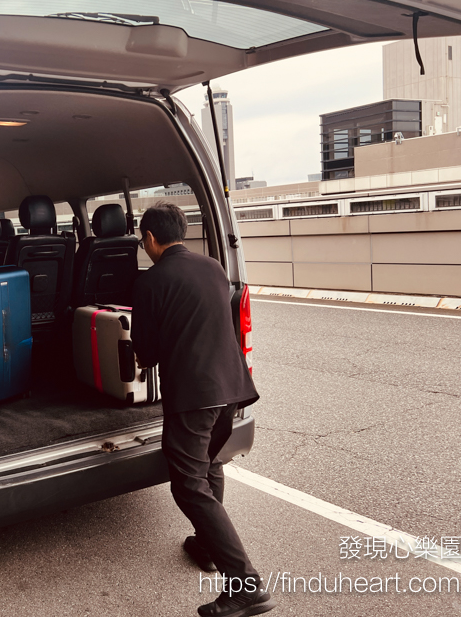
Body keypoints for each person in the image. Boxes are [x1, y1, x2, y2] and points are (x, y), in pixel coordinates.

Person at [131, 202, 274, 617]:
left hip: (194, 395)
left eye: (144, 240)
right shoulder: (213, 267)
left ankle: (246, 584)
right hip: (232, 387)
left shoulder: (151, 282)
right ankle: (207, 546)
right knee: (210, 464)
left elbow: (146, 353)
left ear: (151, 239)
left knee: (188, 483)